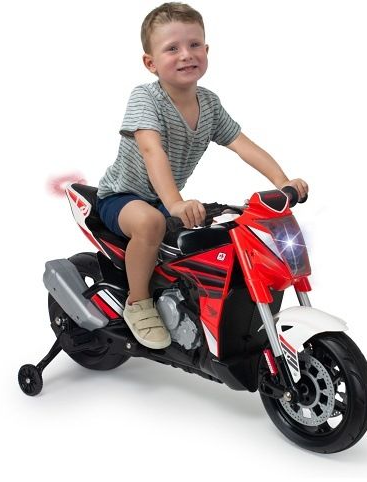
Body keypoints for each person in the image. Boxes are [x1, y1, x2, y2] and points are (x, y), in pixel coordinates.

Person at [96, 2, 309, 350]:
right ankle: (139, 302)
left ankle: (188, 306)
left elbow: (242, 145)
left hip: (165, 199)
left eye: (194, 44)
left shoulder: (208, 104)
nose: (186, 54)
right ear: (150, 63)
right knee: (150, 223)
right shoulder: (146, 98)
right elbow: (152, 151)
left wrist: (283, 182)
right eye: (172, 48)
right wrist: (175, 203)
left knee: (220, 228)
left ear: (207, 51)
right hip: (123, 197)